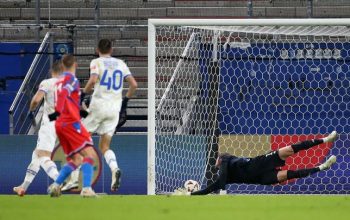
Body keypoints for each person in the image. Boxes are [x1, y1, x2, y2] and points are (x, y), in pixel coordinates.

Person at [62, 39, 137, 192]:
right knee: (104, 146)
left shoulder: (96, 62)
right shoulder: (121, 63)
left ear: (97, 50)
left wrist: (82, 95)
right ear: (112, 49)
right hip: (114, 109)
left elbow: (93, 80)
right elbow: (134, 84)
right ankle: (114, 168)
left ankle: (74, 180)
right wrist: (125, 102)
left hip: (98, 107)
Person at [176, 131, 338, 195]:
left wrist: (222, 184)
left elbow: (223, 176)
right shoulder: (223, 175)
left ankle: (325, 139)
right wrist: (192, 194)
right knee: (290, 174)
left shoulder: (226, 160)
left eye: (217, 157)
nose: (217, 159)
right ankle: (322, 166)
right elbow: (209, 189)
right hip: (261, 179)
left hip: (260, 163)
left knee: (291, 149)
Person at [47, 54, 98, 198]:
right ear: (75, 65)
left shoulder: (58, 82)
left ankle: (56, 185)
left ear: (62, 66)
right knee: (90, 155)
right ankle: (87, 189)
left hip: (60, 125)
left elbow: (70, 102)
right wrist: (57, 111)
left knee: (76, 159)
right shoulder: (72, 79)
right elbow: (64, 95)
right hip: (70, 123)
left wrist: (85, 113)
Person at [13, 61, 62, 196]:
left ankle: (58, 180)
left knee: (43, 155)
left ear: (52, 71)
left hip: (50, 123)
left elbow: (36, 100)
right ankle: (23, 187)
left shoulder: (47, 82)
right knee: (37, 154)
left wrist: (31, 110)